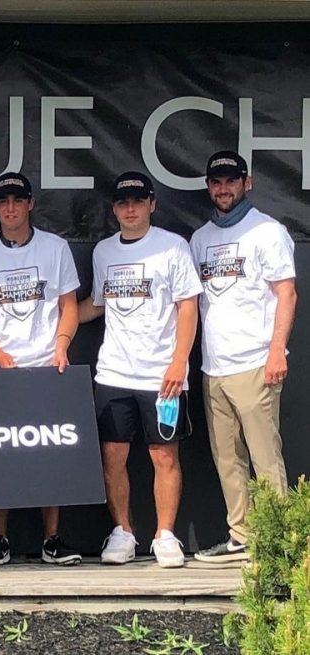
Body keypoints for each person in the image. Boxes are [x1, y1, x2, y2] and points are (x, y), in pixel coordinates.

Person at [78, 172, 201, 568]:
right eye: (122, 203)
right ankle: (123, 533)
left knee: (164, 456)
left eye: (137, 201)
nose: (130, 209)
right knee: (112, 456)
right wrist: (52, 321)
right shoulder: (103, 252)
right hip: (113, 374)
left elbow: (188, 306)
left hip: (162, 376)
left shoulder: (172, 247)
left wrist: (180, 360)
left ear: (152, 204)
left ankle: (165, 535)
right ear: (114, 209)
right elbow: (97, 304)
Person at [191, 151, 296, 563]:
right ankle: (242, 536)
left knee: (265, 457)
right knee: (227, 458)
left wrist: (276, 352)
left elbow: (286, 293)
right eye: (216, 181)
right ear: (209, 187)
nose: (223, 188)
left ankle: (281, 543)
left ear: (246, 183)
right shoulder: (200, 238)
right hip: (213, 367)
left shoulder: (267, 232)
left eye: (231, 181)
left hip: (256, 363)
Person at [0, 172, 82, 566]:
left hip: (45, 367)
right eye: (3, 202)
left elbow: (68, 306)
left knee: (49, 455)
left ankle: (52, 540)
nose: (10, 208)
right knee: (0, 456)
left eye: (17, 201)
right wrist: (0, 357)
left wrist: (61, 346)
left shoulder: (55, 248)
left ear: (30, 204)